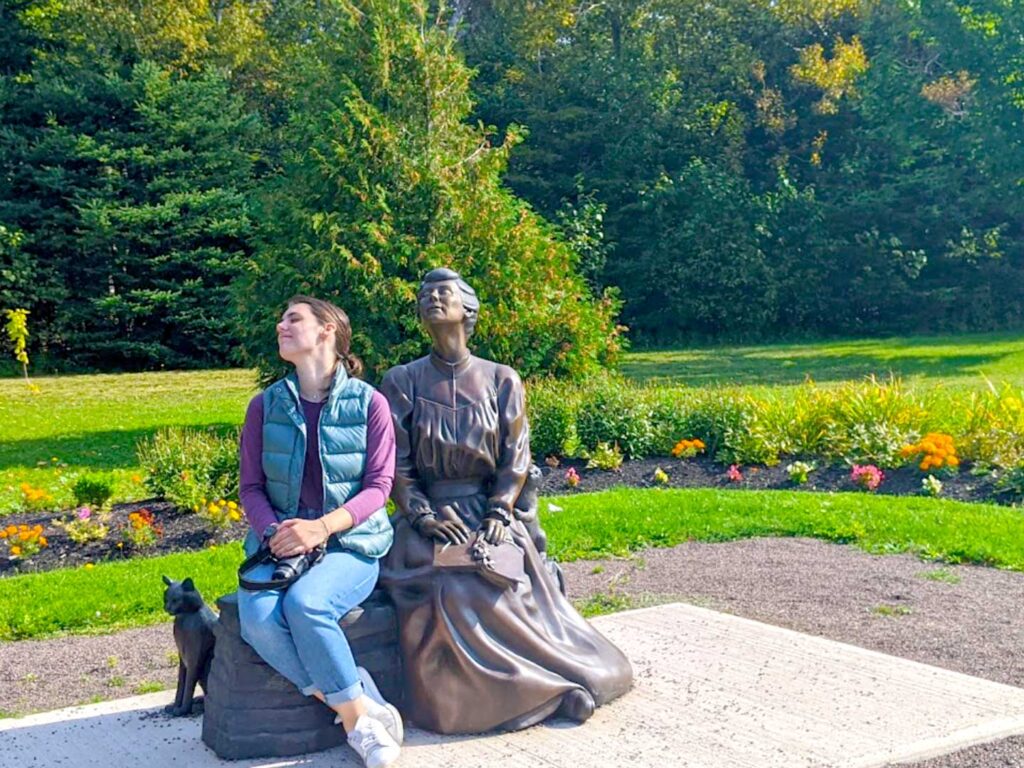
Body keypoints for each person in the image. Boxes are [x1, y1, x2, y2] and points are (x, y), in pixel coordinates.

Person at [379, 268, 633, 735]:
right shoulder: (402, 381)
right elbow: (396, 464)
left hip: (490, 511)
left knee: (502, 578)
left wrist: (499, 512)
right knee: (451, 587)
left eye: (443, 292)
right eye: (425, 293)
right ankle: (535, 694)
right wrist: (423, 515)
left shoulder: (501, 379)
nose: (431, 298)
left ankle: (557, 678)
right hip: (430, 521)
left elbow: (515, 457)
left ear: (467, 308)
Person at [237, 296, 402, 768]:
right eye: (281, 317)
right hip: (280, 544)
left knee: (307, 605)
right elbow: (250, 487)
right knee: (259, 622)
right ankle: (360, 707)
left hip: (351, 542)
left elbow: (379, 487)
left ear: (327, 330)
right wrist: (274, 532)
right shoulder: (264, 406)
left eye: (294, 318)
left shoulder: (370, 403)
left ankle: (357, 728)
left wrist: (322, 528)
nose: (280, 325)